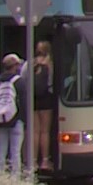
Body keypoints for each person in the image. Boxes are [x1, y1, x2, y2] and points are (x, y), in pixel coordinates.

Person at [0, 54, 27, 174]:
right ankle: (15, 178)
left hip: (1, 120)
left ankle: (1, 176)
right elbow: (24, 102)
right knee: (15, 152)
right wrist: (25, 121)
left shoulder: (0, 80)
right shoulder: (19, 81)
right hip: (16, 120)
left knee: (1, 151)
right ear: (15, 66)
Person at [32, 41, 55, 173]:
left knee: (35, 131)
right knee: (45, 131)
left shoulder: (31, 63)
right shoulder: (50, 64)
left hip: (34, 100)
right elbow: (53, 82)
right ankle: (45, 160)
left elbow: (24, 78)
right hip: (46, 99)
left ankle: (33, 161)